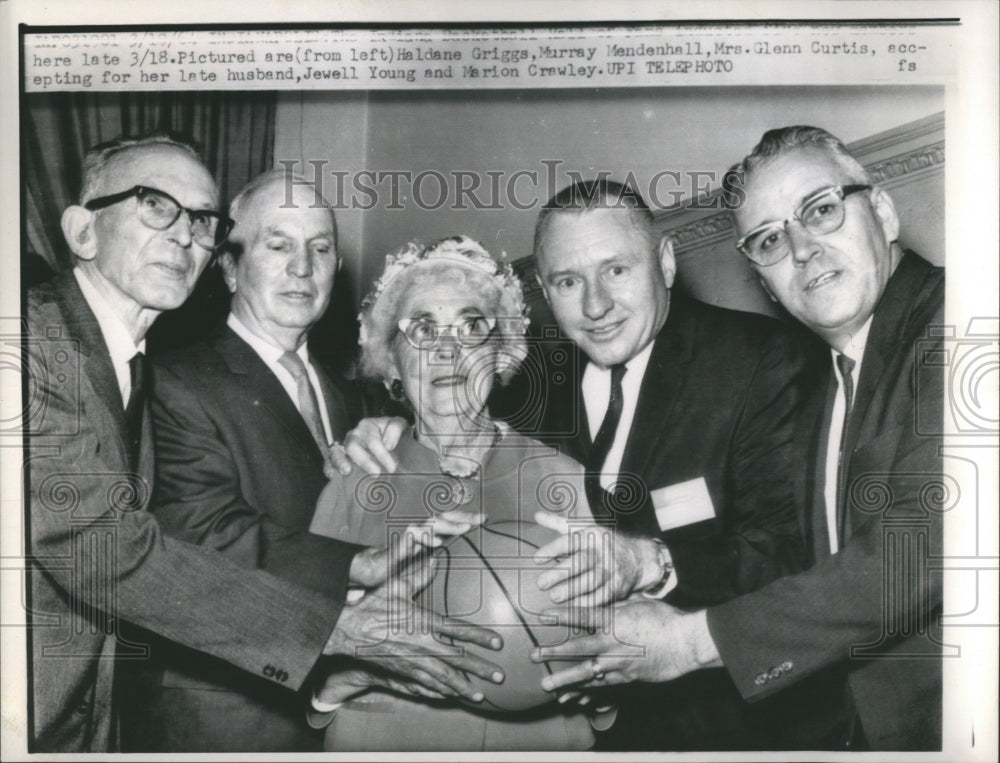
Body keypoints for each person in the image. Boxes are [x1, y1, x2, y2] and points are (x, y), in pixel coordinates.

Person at [22, 134, 504, 753]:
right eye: (154, 206)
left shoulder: (356, 400)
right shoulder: (37, 346)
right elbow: (112, 547)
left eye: (200, 220)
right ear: (83, 232)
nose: (183, 236)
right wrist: (342, 615)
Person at [334, 180, 811, 750]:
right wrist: (382, 425)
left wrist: (650, 564)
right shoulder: (529, 384)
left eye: (615, 270)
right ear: (543, 289)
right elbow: (448, 405)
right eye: (568, 281)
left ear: (664, 261)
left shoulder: (758, 360)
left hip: (709, 730)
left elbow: (792, 551)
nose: (595, 305)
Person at [536, 126, 945, 752]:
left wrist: (689, 638)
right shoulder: (839, 373)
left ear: (884, 211)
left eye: (822, 210)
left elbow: (920, 548)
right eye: (770, 239)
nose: (802, 250)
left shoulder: (965, 323)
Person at [307, 235, 600, 751]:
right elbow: (303, 659)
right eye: (422, 328)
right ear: (391, 362)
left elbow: (609, 662)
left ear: (502, 351)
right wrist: (350, 675)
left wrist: (592, 675)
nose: (447, 349)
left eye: (471, 327)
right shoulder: (353, 482)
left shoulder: (564, 477)